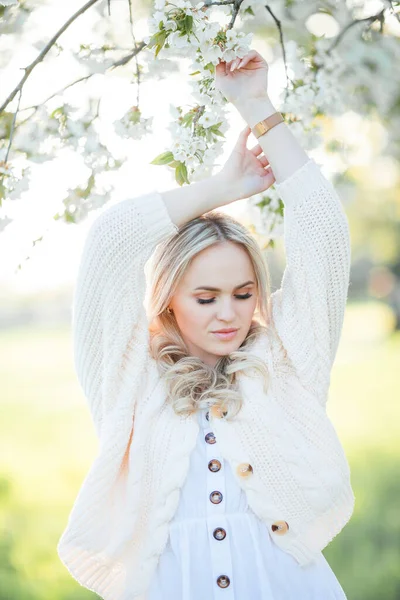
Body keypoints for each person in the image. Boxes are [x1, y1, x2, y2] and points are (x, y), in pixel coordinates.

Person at [57, 49, 355, 600]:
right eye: (206, 296)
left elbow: (326, 237)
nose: (229, 313)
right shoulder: (130, 380)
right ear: (168, 300)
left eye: (244, 294)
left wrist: (257, 107)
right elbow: (111, 242)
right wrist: (222, 188)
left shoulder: (283, 365)